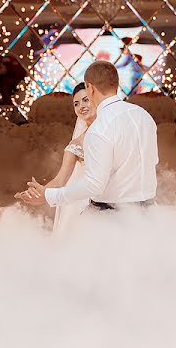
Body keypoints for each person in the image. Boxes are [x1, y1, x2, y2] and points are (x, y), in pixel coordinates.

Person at [19, 60, 158, 211]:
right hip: (149, 213)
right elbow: (153, 161)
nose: (82, 106)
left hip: (113, 217)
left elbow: (94, 184)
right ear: (116, 85)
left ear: (90, 88)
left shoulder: (100, 128)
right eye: (76, 103)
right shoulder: (144, 116)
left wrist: (49, 196)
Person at [15, 82, 97, 232]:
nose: (81, 106)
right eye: (76, 104)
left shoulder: (115, 131)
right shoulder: (76, 145)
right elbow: (60, 179)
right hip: (85, 203)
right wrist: (41, 192)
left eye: (86, 100)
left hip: (118, 197)